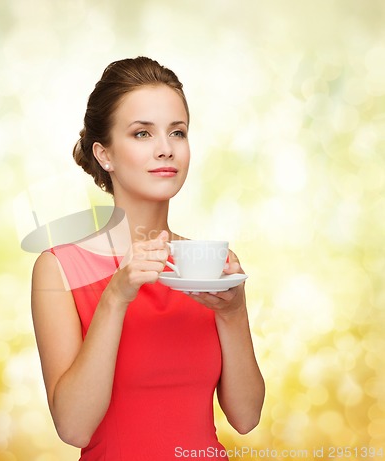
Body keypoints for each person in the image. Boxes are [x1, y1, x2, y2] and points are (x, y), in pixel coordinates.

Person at [31, 56, 265, 460]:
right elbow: (73, 427)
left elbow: (245, 417)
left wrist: (234, 312)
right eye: (142, 134)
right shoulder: (60, 269)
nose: (165, 149)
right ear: (105, 155)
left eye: (178, 132)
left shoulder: (210, 266)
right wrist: (115, 297)